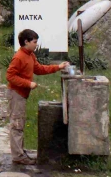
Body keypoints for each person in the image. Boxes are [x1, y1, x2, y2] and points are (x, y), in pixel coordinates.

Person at [6, 29, 70, 165]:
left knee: (20, 122)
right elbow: (10, 76)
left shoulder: (30, 55)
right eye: (34, 42)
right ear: (26, 42)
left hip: (22, 94)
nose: (36, 45)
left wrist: (58, 67)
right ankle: (18, 156)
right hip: (16, 94)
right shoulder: (19, 57)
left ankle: (20, 152)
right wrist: (28, 84)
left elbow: (39, 69)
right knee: (17, 124)